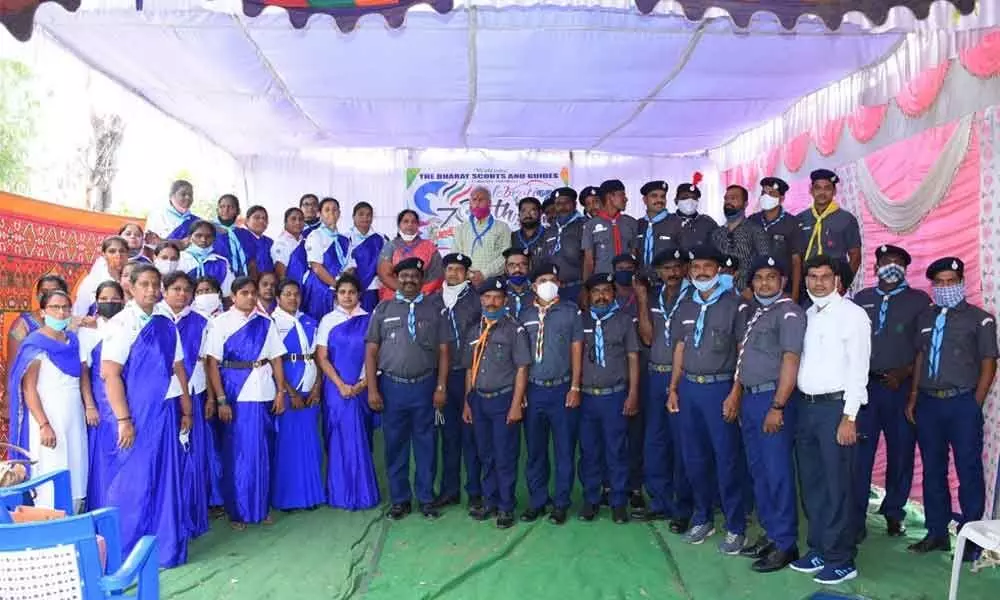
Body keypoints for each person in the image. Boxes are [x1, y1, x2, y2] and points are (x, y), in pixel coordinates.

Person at [99, 264, 192, 568]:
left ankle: (163, 548)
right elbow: (110, 374)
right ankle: (126, 551)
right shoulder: (121, 324)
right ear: (131, 287)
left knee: (164, 476)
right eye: (145, 285)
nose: (152, 290)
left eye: (156, 285)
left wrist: (186, 408)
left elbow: (178, 368)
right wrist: (124, 420)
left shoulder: (166, 323)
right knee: (133, 479)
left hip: (164, 412)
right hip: (135, 414)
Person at [906, 257, 998, 561]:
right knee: (933, 469)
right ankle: (935, 533)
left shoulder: (980, 319)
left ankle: (971, 540)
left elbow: (989, 362)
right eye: (940, 283)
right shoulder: (925, 317)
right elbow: (920, 358)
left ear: (961, 283)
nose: (945, 288)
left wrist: (976, 401)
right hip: (929, 404)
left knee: (968, 470)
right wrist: (914, 397)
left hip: (962, 403)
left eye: (951, 282)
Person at [791, 255, 870, 585]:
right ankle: (820, 548)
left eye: (825, 276)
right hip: (806, 409)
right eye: (812, 276)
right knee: (812, 484)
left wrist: (849, 417)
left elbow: (858, 371)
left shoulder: (853, 316)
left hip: (836, 410)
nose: (818, 282)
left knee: (838, 485)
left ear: (838, 280)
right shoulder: (807, 314)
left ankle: (841, 558)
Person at [667, 247, 746, 552]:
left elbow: (742, 351)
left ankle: (735, 526)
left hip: (719, 389)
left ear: (718, 270)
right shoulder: (685, 305)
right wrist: (673, 388)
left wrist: (735, 393)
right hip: (689, 389)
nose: (701, 271)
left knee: (726, 460)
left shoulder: (735, 305)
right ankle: (702, 517)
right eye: (696, 266)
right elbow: (679, 348)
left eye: (707, 266)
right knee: (694, 458)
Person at [733, 256, 806, 572]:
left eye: (771, 277)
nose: (764, 283)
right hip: (751, 399)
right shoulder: (757, 313)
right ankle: (771, 533)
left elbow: (791, 360)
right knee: (759, 472)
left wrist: (778, 406)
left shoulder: (789, 313)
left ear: (783, 282)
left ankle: (786, 543)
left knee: (777, 474)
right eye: (759, 278)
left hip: (772, 399)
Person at [852, 244, 929, 539]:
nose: (891, 265)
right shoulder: (862, 298)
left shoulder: (919, 300)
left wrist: (905, 373)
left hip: (900, 389)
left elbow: (924, 348)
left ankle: (894, 513)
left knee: (901, 454)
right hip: (866, 388)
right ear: (876, 267)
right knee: (860, 455)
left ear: (905, 269)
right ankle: (855, 516)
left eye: (897, 261)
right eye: (886, 261)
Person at [365, 257, 452, 520]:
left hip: (425, 386)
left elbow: (444, 351)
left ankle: (426, 498)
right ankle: (400, 500)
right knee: (395, 445)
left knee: (426, 445)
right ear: (396, 280)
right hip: (392, 388)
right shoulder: (383, 309)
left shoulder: (435, 309)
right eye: (404, 276)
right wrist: (372, 389)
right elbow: (370, 352)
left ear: (422, 279)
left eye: (414, 276)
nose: (409, 280)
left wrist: (441, 386)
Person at [205, 277, 287, 530]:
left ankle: (260, 508)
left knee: (263, 451)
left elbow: (276, 360)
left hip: (263, 392)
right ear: (233, 296)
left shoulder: (265, 323)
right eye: (244, 293)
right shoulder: (220, 324)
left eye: (253, 293)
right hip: (235, 393)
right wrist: (220, 399)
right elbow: (212, 364)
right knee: (237, 454)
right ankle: (238, 511)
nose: (250, 297)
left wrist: (281, 392)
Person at [7, 290, 89, 510]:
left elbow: (81, 376)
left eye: (66, 308)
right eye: (55, 308)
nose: (61, 313)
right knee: (51, 470)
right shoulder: (35, 343)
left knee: (75, 467)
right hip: (48, 418)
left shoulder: (73, 340)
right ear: (43, 312)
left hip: (74, 417)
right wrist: (44, 425)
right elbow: (29, 388)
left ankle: (72, 520)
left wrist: (89, 407)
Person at [461, 277, 532, 529]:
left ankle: (505, 506)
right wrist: (467, 402)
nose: (491, 302)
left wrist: (515, 404)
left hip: (503, 399)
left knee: (504, 456)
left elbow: (522, 368)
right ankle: (490, 501)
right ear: (481, 299)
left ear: (505, 300)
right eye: (487, 297)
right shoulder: (474, 330)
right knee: (486, 454)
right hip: (479, 401)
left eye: (497, 298)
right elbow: (469, 369)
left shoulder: (515, 329)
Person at [518, 262, 583, 525]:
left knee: (564, 450)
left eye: (553, 279)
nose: (548, 284)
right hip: (533, 390)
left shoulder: (571, 312)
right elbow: (519, 357)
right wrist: (520, 391)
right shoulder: (523, 314)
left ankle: (561, 502)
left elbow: (576, 350)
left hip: (562, 388)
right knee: (535, 451)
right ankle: (537, 500)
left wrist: (575, 387)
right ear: (533, 285)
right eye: (543, 279)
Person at [634, 248, 692, 533]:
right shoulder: (653, 298)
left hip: (682, 376)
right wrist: (643, 300)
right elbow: (646, 337)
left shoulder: (694, 297)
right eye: (666, 268)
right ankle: (659, 502)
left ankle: (683, 507)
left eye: (677, 267)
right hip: (655, 375)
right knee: (655, 441)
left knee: (682, 443)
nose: (672, 273)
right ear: (658, 273)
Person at [577, 273, 640, 523]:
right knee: (589, 451)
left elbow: (633, 358)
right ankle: (591, 499)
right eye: (596, 292)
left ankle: (618, 502)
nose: (601, 296)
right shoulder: (580, 321)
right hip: (587, 397)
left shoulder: (624, 321)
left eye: (606, 291)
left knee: (617, 450)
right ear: (589, 296)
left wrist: (633, 393)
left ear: (613, 294)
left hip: (615, 395)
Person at [317, 274, 381, 510]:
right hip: (336, 389)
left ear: (359, 295)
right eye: (342, 292)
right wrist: (341, 385)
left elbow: (375, 353)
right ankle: (340, 493)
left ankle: (364, 493)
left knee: (361, 436)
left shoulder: (370, 319)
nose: (347, 296)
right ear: (336, 295)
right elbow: (322, 358)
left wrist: (363, 383)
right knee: (338, 436)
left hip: (363, 386)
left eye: (351, 292)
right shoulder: (327, 321)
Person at [160, 271, 213, 539]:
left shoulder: (202, 322)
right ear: (164, 290)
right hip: (165, 398)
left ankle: (192, 513)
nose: (181, 294)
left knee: (194, 455)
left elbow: (208, 360)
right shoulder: (155, 320)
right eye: (176, 289)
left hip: (194, 393)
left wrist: (211, 398)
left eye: (186, 290)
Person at [429, 253, 482, 511]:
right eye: (450, 269)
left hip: (469, 373)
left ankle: (474, 491)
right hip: (442, 377)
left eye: (459, 270)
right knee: (449, 437)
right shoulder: (432, 301)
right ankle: (450, 490)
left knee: (471, 436)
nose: (453, 274)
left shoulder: (477, 299)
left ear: (466, 273)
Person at [270, 279, 325, 511]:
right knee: (288, 444)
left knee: (310, 443)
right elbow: (274, 362)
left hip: (310, 386)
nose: (293, 298)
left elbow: (320, 356)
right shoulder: (272, 323)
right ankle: (288, 498)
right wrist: (289, 392)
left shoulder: (310, 321)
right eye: (288, 294)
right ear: (278, 298)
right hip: (288, 387)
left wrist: (317, 387)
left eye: (296, 294)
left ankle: (311, 496)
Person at [78, 280, 124, 511]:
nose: (109, 303)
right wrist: (89, 405)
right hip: (99, 396)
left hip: (125, 394)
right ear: (96, 302)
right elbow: (84, 373)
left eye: (115, 298)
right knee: (103, 452)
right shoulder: (87, 332)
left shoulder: (129, 326)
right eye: (104, 299)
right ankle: (101, 505)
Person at [192, 276, 225, 513]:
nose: (205, 294)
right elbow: (206, 362)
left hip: (229, 385)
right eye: (200, 290)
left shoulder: (224, 319)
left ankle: (218, 494)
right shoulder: (193, 321)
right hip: (201, 388)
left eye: (210, 290)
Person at [798, 169, 862, 280]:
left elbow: (855, 256)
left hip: (834, 279)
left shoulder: (847, 219)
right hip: (806, 279)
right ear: (811, 190)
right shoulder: (800, 219)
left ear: (834, 191)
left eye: (827, 188)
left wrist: (845, 283)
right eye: (818, 188)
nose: (822, 193)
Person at [6, 275, 70, 385]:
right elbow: (13, 363)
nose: (47, 295)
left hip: (64, 388)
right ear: (37, 295)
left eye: (53, 291)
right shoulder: (23, 325)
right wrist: (8, 393)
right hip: (32, 389)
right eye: (44, 291)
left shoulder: (70, 323)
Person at [749, 177, 802, 302]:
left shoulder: (792, 223)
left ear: (781, 199)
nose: (766, 197)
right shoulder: (752, 221)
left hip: (783, 289)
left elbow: (796, 262)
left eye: (771, 194)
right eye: (763, 193)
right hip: (756, 288)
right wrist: (745, 287)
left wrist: (794, 295)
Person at [300, 197, 354, 320]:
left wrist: (343, 286)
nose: (331, 213)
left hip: (340, 291)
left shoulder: (344, 240)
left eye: (335, 210)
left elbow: (350, 266)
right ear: (319, 214)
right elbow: (317, 267)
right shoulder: (315, 235)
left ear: (339, 213)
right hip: (320, 289)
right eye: (327, 210)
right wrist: (337, 285)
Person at [711, 185, 771, 293]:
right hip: (718, 294)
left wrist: (752, 289)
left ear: (745, 204)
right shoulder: (717, 233)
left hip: (747, 294)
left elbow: (765, 264)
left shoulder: (756, 231)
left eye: (733, 198)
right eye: (726, 199)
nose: (728, 202)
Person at [378, 209, 444, 300]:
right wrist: (405, 292)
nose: (410, 224)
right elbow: (384, 275)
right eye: (405, 221)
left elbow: (437, 275)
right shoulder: (390, 246)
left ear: (418, 225)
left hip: (424, 297)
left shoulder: (429, 246)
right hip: (394, 298)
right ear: (399, 225)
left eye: (413, 222)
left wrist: (419, 293)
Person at [451, 186, 510, 286]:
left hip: (494, 281)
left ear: (489, 203)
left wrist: (484, 274)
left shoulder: (502, 227)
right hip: (466, 280)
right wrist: (469, 274)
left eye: (481, 199)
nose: (477, 203)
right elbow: (456, 255)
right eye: (474, 199)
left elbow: (505, 256)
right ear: (470, 204)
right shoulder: (460, 229)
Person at [582, 180, 638, 282]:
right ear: (609, 197)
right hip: (602, 283)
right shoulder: (590, 225)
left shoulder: (631, 222)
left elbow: (634, 254)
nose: (626, 199)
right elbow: (589, 262)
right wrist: (586, 287)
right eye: (622, 195)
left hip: (627, 282)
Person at [539, 187, 586, 303]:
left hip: (577, 287)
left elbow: (589, 259)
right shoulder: (550, 229)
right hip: (553, 289)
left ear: (574, 204)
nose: (562, 207)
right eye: (558, 203)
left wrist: (585, 288)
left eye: (567, 203)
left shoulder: (584, 225)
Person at [73, 236, 130, 317]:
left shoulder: (135, 280)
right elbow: (79, 313)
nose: (118, 255)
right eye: (112, 251)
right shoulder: (92, 282)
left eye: (122, 251)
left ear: (128, 254)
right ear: (104, 255)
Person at [634, 181, 676, 283]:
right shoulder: (638, 224)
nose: (659, 200)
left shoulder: (676, 223)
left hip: (668, 283)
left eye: (663, 196)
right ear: (644, 200)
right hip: (642, 283)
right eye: (654, 196)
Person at [178, 220, 236, 295]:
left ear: (214, 239)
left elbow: (227, 293)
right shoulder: (179, 258)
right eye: (198, 235)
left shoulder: (222, 262)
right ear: (190, 237)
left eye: (208, 236)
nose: (203, 240)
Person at [348, 202, 386, 312]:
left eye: (369, 215)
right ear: (353, 216)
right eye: (361, 214)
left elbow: (384, 263)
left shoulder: (380, 238)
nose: (365, 217)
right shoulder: (345, 238)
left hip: (372, 288)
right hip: (350, 288)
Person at [666, 173, 716, 251]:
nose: (690, 201)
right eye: (685, 197)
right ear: (676, 201)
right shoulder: (667, 221)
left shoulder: (708, 222)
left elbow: (717, 248)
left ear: (697, 202)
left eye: (694, 198)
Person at [212, 194, 256, 278]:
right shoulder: (210, 231)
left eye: (231, 207)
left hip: (243, 280)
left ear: (238, 211)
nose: (226, 210)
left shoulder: (245, 234)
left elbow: (252, 262)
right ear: (217, 210)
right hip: (219, 279)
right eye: (222, 207)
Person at [145, 179, 199, 246]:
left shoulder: (196, 221)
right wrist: (180, 243)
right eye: (183, 194)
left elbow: (196, 245)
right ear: (171, 196)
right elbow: (149, 244)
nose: (188, 197)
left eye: (190, 195)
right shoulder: (157, 216)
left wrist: (161, 241)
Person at [272, 207, 306, 280]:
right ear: (285, 222)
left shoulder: (305, 240)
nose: (298, 222)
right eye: (293, 219)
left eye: (301, 219)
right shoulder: (281, 243)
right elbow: (280, 274)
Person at [504, 246, 534, 320]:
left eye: (523, 264)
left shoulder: (538, 291)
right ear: (505, 268)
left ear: (529, 266)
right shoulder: (499, 292)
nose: (517, 269)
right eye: (511, 265)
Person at [245, 205, 275, 275]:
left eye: (264, 218)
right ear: (247, 221)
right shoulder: (240, 240)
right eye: (257, 217)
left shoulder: (270, 242)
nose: (261, 221)